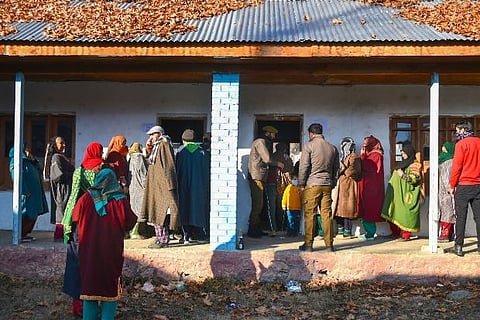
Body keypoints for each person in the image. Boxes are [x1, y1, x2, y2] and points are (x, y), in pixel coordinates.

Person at [72, 168, 137, 320]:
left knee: (90, 289)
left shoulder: (86, 198)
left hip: (89, 253)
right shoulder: (120, 200)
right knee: (109, 289)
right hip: (111, 253)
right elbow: (130, 222)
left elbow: (75, 218)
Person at [62, 142, 104, 318]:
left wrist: (67, 222)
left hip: (80, 221)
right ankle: (93, 304)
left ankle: (77, 305)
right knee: (95, 263)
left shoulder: (79, 171)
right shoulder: (103, 170)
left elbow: (73, 197)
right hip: (98, 221)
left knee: (76, 262)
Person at [298, 123, 339, 252]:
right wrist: (332, 182)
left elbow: (303, 166)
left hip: (312, 184)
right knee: (326, 214)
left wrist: (301, 184)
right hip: (327, 185)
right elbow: (337, 168)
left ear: (311, 133)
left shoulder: (309, 146)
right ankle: (329, 245)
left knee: (310, 214)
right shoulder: (332, 148)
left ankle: (308, 245)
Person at [141, 125, 180, 249]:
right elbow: (150, 160)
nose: (151, 137)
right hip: (156, 185)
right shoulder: (156, 146)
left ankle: (163, 239)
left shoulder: (164, 144)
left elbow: (169, 165)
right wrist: (148, 147)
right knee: (156, 212)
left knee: (162, 212)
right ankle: (159, 238)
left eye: (153, 134)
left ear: (159, 133)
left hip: (163, 185)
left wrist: (169, 184)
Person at [247, 125, 284, 238]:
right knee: (257, 205)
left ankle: (257, 229)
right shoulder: (260, 142)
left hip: (260, 177)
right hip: (257, 176)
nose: (274, 136)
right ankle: (253, 231)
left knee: (260, 204)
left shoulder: (262, 142)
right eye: (273, 134)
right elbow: (267, 159)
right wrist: (278, 163)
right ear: (268, 133)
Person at [381, 142, 423, 241]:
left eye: (404, 153)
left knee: (406, 214)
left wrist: (402, 175)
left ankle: (406, 235)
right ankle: (396, 232)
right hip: (397, 195)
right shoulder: (402, 164)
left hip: (407, 195)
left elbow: (414, 179)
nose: (403, 155)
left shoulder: (415, 165)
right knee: (394, 211)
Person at [449, 120, 480, 257]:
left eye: (457, 130)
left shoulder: (461, 144)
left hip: (464, 185)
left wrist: (452, 185)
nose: (456, 133)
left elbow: (457, 167)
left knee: (461, 217)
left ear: (462, 130)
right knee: (479, 218)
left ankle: (459, 247)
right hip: (478, 185)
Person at [9, 144, 49, 242]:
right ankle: (19, 234)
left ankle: (25, 233)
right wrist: (24, 190)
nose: (29, 149)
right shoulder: (17, 160)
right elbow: (16, 177)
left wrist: (33, 159)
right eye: (27, 148)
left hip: (35, 193)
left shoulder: (29, 160)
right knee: (26, 213)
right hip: (27, 193)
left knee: (34, 214)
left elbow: (39, 169)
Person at [176, 129, 209, 243]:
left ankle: (186, 235)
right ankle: (200, 235)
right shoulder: (202, 153)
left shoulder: (181, 152)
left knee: (184, 208)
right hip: (199, 187)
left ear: (183, 140)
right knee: (198, 208)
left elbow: (176, 170)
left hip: (183, 185)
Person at [44, 136, 75, 242]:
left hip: (67, 187)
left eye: (64, 142)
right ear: (55, 145)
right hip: (61, 190)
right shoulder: (56, 157)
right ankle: (59, 236)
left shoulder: (62, 157)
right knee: (61, 210)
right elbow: (58, 176)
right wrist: (73, 174)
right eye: (61, 143)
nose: (64, 145)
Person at [332, 137, 362, 238]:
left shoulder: (353, 156)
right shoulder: (343, 157)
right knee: (339, 209)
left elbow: (353, 171)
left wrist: (343, 169)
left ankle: (347, 231)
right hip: (341, 186)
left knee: (347, 209)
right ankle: (340, 230)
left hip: (349, 186)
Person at [357, 135, 385, 241]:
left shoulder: (375, 155)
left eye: (366, 145)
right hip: (370, 186)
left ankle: (370, 234)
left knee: (369, 210)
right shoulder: (374, 154)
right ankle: (369, 233)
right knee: (367, 209)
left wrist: (363, 156)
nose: (364, 148)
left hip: (371, 187)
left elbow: (368, 167)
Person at [127, 142, 148, 239]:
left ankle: (133, 230)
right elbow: (143, 173)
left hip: (132, 186)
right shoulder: (139, 157)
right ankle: (137, 231)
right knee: (140, 209)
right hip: (140, 186)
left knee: (134, 207)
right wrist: (146, 185)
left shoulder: (130, 158)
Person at [438, 141, 455, 242]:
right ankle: (451, 234)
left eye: (444, 149)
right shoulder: (445, 160)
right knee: (448, 213)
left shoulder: (448, 161)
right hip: (445, 191)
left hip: (447, 192)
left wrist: (450, 189)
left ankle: (445, 236)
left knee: (446, 213)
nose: (442, 151)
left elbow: (445, 177)